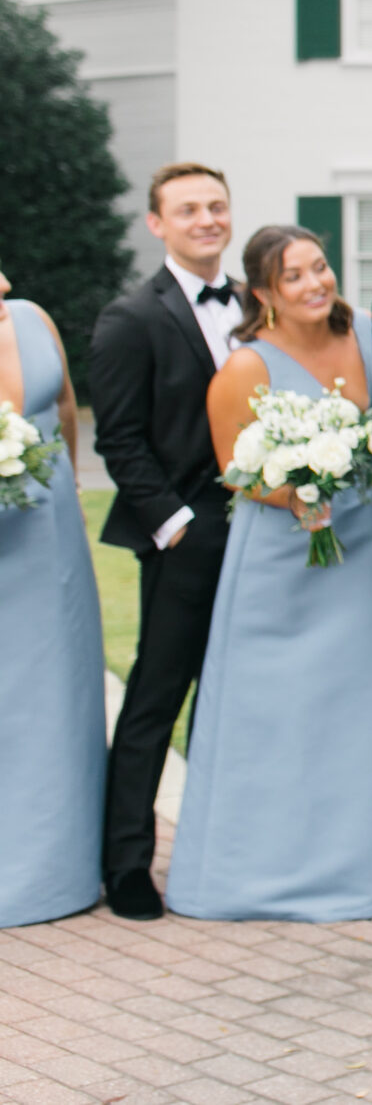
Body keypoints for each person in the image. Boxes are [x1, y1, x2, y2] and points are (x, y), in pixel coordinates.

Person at [166, 226, 372, 922]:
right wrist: (307, 484)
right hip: (281, 559)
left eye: (321, 267)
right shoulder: (247, 367)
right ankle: (253, 873)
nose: (316, 283)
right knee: (274, 714)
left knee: (356, 707)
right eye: (295, 276)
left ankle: (361, 871)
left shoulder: (367, 333)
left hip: (364, 548)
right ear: (264, 294)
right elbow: (236, 471)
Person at [88, 161, 240, 920]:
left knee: (244, 694)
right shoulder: (132, 317)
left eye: (216, 205)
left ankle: (237, 850)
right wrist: (175, 524)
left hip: (264, 534)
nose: (206, 218)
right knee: (157, 696)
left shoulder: (256, 304)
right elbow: (119, 440)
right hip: (186, 536)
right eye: (188, 209)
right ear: (157, 223)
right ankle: (126, 865)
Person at [0, 262, 107, 929]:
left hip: (48, 535)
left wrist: (65, 487)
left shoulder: (34, 321)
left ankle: (61, 862)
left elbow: (65, 407)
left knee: (57, 690)